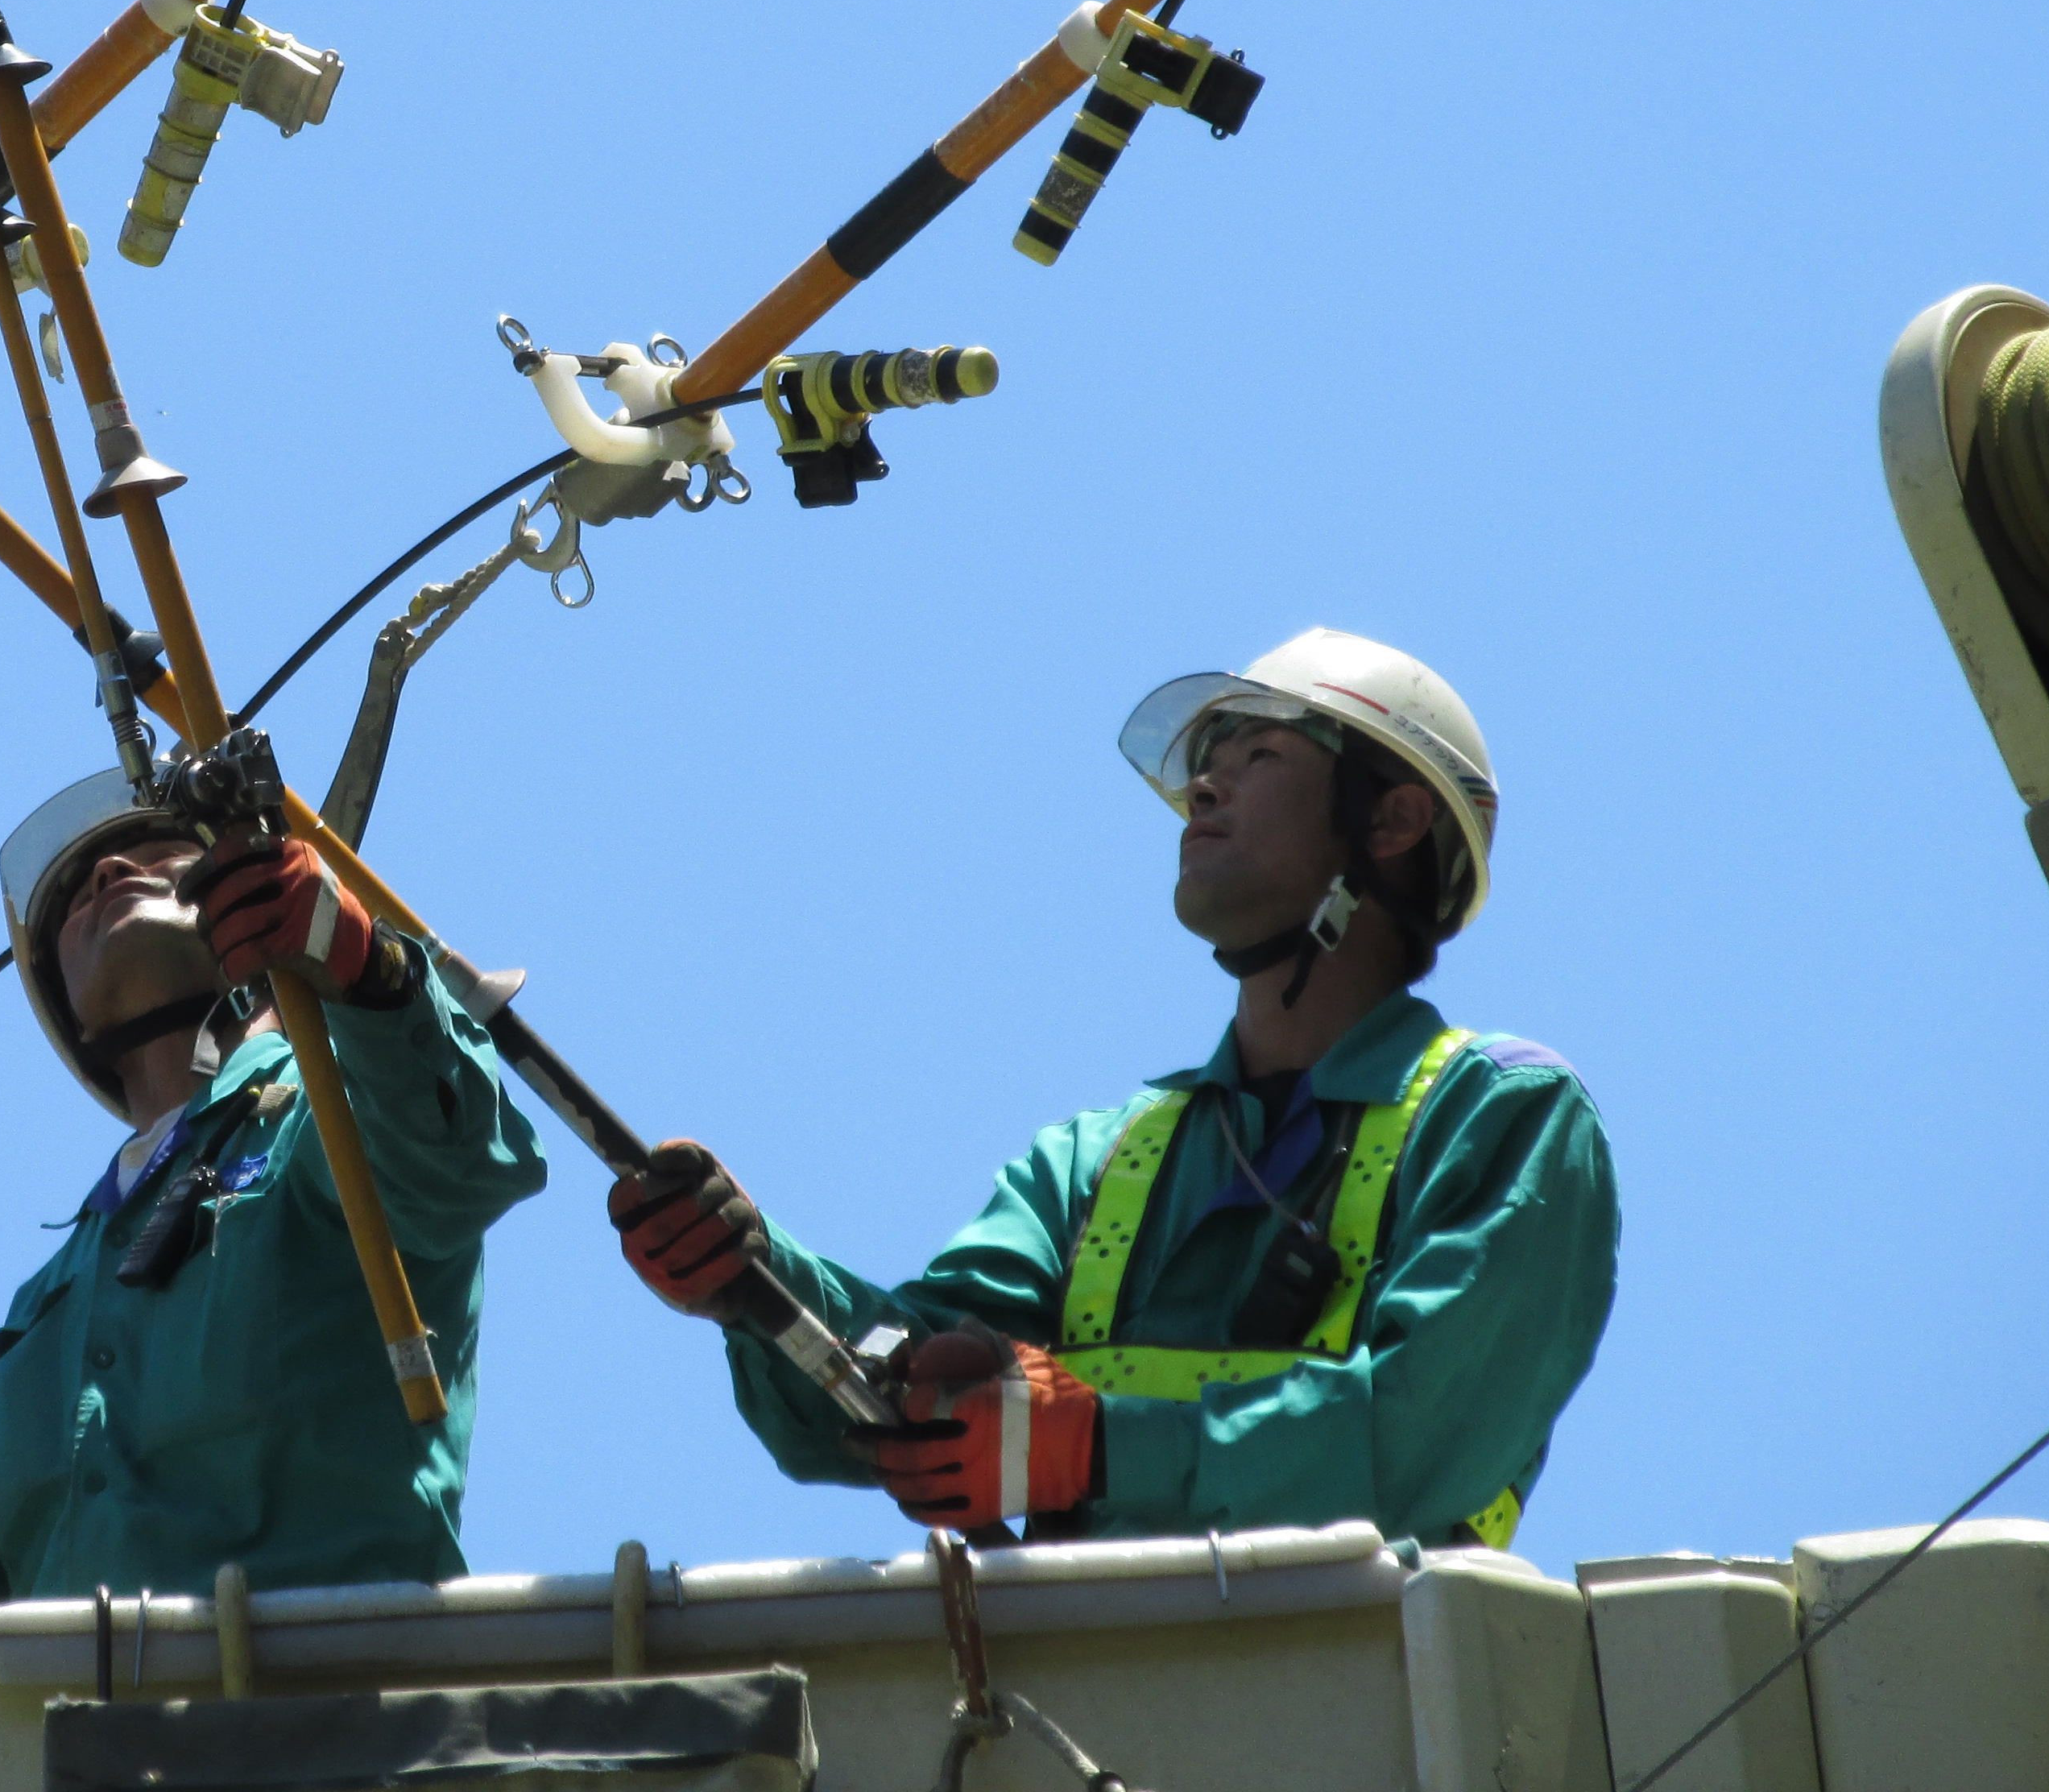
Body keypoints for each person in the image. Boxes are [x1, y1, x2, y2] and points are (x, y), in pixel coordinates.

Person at [613, 630, 1615, 1548]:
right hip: (1092, 1713)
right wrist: (758, 1284)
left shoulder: (1502, 1118)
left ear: (1392, 819)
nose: (1207, 791)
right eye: (1205, 767)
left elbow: (1423, 1437)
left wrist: (1097, 1452)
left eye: (1257, 757)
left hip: (1366, 1706)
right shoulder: (1100, 1160)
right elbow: (910, 1363)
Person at [0, 770, 544, 1630]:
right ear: (74, 1017)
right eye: (74, 901)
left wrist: (369, 972)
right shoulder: (57, 1299)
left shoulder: (328, 1115)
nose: (107, 875)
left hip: (338, 1730)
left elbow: (453, 1157)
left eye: (160, 855)